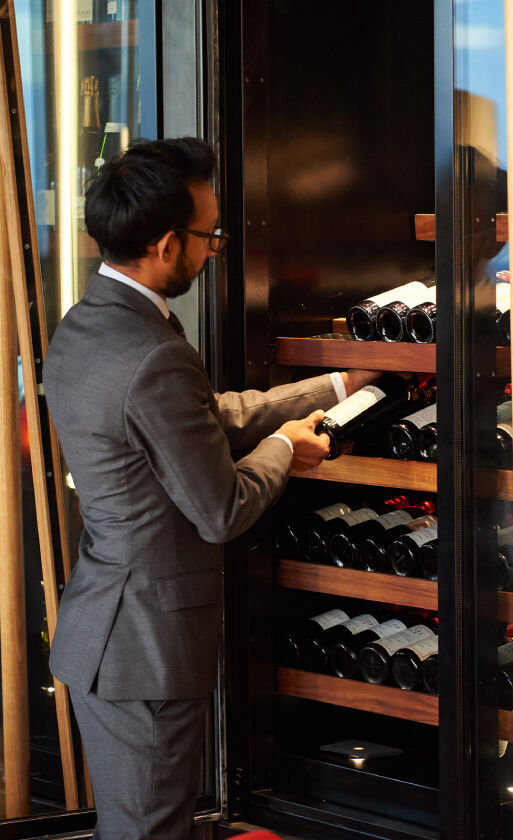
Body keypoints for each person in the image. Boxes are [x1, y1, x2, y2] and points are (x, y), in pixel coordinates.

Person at [43, 137, 377, 839]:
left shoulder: (86, 325)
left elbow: (203, 419)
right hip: (145, 653)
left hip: (111, 632)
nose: (216, 248)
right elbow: (221, 508)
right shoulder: (153, 353)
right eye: (209, 236)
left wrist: (337, 383)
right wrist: (287, 448)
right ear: (166, 245)